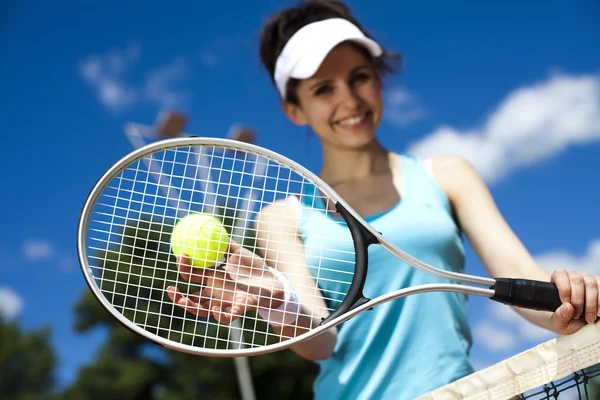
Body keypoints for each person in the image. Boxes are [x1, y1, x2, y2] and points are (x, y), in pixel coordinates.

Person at [167, 1, 599, 398]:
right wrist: (278, 302)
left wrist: (572, 304)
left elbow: (525, 283)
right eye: (323, 89)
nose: (350, 101)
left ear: (379, 79)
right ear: (294, 109)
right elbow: (320, 338)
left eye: (360, 77)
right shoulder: (282, 216)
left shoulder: (448, 175)